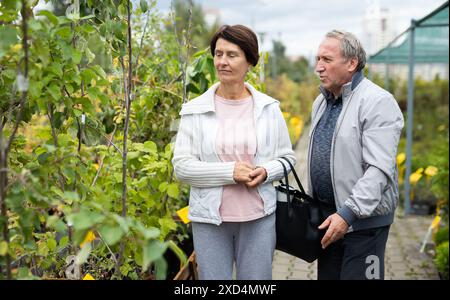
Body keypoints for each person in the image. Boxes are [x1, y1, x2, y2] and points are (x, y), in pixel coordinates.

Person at [172, 25, 296, 280]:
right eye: (218, 54)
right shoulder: (194, 110)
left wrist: (266, 171)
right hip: (209, 220)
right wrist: (231, 172)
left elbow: (287, 159)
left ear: (250, 60)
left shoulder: (268, 108)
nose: (222, 62)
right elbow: (182, 167)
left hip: (258, 218)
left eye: (232, 55)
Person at [308, 30, 404, 280]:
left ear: (351, 63)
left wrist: (347, 214)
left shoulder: (378, 102)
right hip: (330, 222)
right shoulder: (321, 102)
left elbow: (379, 170)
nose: (318, 67)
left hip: (363, 226)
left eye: (326, 60)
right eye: (317, 59)